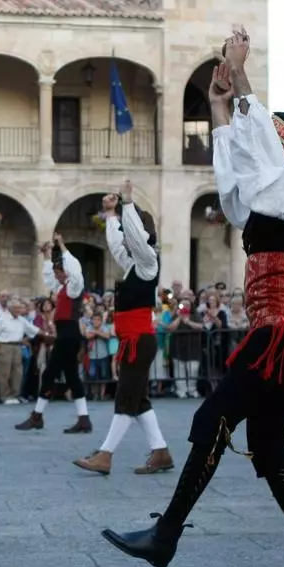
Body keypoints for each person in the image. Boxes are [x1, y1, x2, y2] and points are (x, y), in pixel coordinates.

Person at [102, 31, 284, 567]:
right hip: (272, 329)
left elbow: (257, 146)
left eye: (265, 137)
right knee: (267, 442)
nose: (253, 141)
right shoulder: (268, 195)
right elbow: (236, 176)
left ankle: (165, 534)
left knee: (214, 419)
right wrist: (218, 105)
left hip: (279, 331)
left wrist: (239, 79)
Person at [74, 181, 174, 475]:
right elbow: (118, 244)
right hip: (134, 341)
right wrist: (111, 214)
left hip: (138, 342)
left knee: (125, 399)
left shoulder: (148, 262)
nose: (127, 240)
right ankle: (161, 452)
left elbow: (135, 241)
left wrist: (127, 204)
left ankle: (105, 455)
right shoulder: (134, 265)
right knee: (138, 399)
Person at [14, 233, 89, 432]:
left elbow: (75, 269)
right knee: (71, 376)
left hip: (68, 334)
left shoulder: (74, 286)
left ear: (65, 272)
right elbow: (48, 278)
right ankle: (83, 419)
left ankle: (37, 416)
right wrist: (47, 254)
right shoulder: (63, 286)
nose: (56, 275)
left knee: (49, 374)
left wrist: (62, 245)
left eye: (59, 272)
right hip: (67, 334)